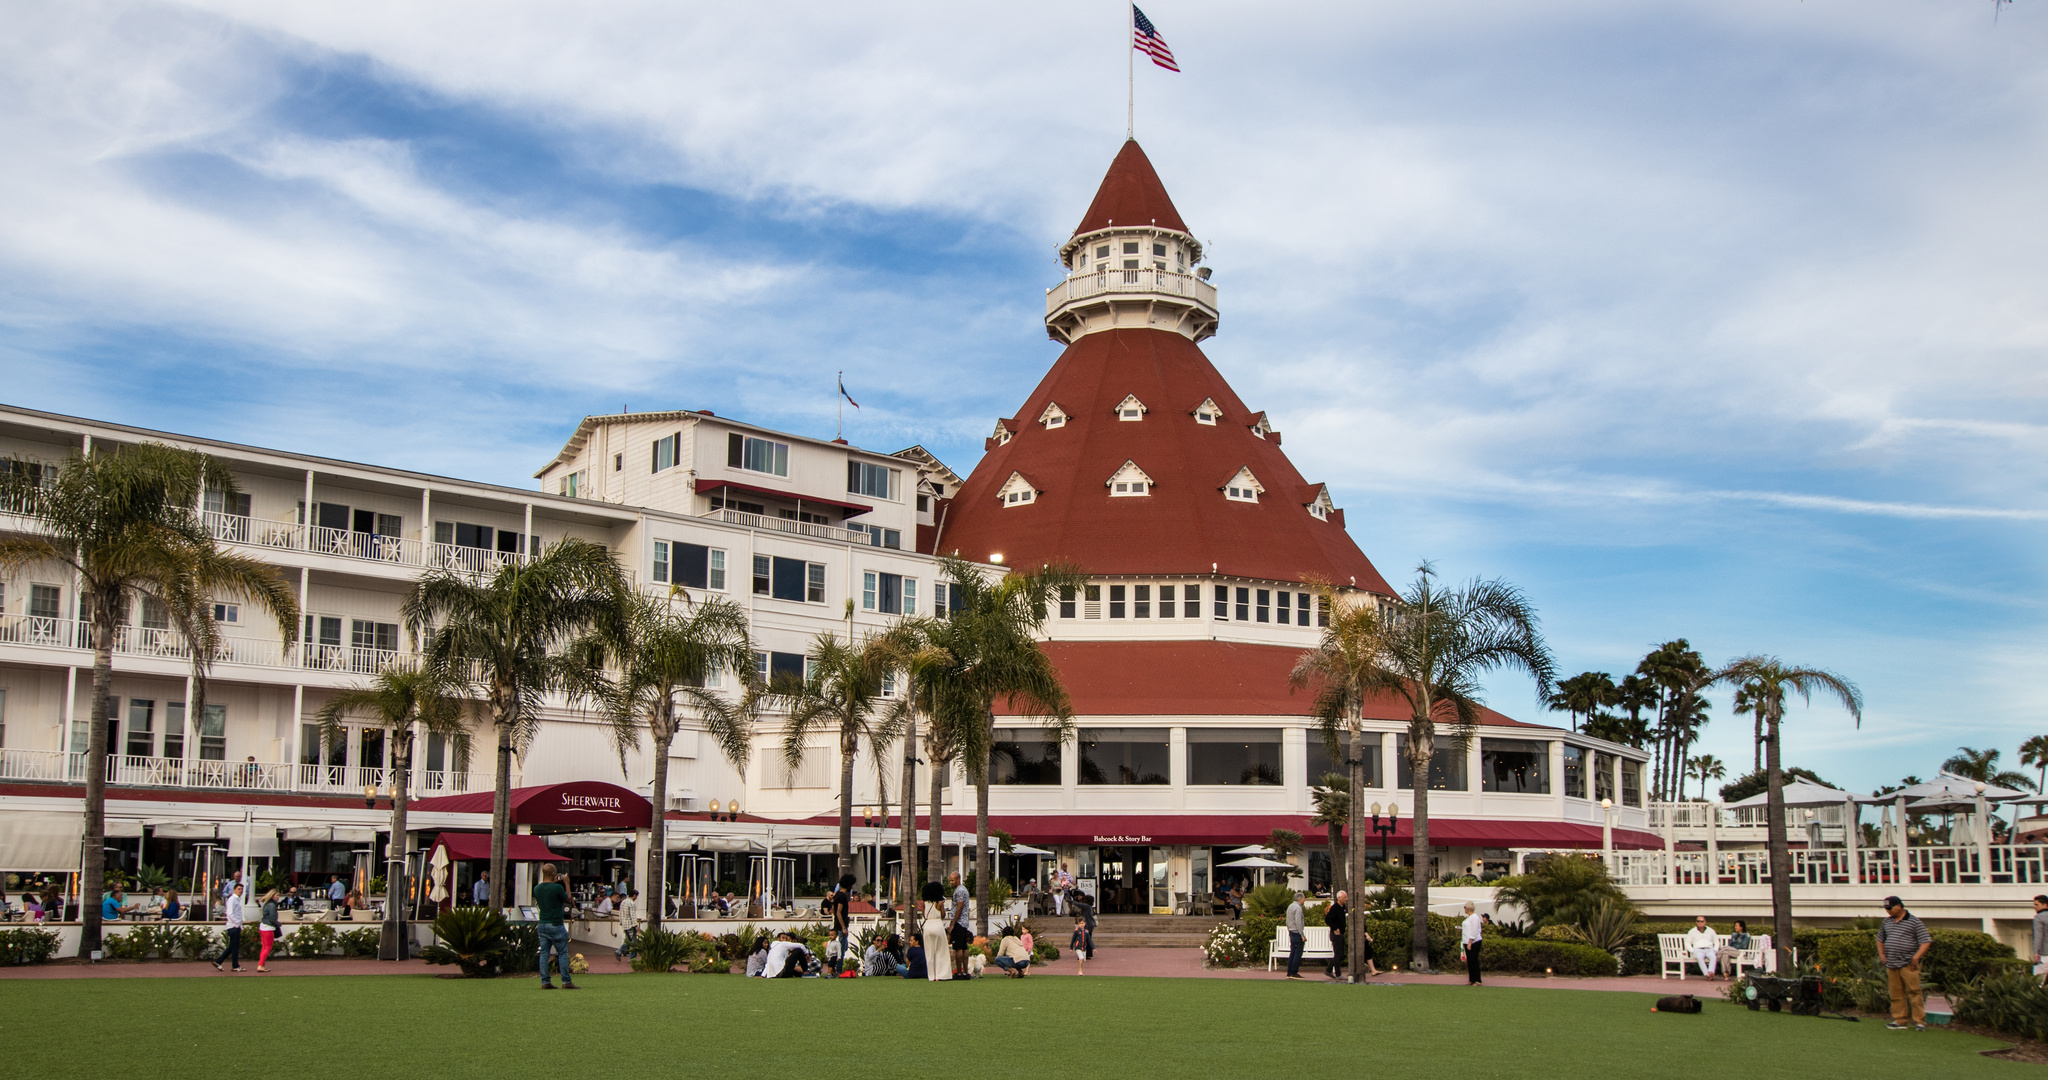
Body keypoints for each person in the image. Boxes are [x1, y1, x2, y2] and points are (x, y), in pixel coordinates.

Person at [1878, 895, 1932, 1030]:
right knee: (1895, 993)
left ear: (1899, 906)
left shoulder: (1914, 922)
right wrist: (1882, 954)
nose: (1887, 911)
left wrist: (1916, 957)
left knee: (1914, 992)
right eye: (1886, 908)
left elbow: (1926, 940)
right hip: (1892, 963)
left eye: (1890, 908)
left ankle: (1920, 1022)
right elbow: (1880, 938)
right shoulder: (1886, 922)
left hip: (1908, 964)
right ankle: (1900, 1020)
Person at [533, 863, 575, 990]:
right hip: (556, 923)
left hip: (543, 923)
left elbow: (548, 895)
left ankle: (545, 981)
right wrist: (566, 883)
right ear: (553, 874)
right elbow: (568, 899)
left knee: (544, 953)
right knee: (562, 953)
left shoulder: (537, 888)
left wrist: (554, 883)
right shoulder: (557, 888)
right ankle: (566, 981)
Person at [920, 880, 951, 982]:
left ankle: (931, 976)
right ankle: (940, 975)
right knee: (940, 951)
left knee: (929, 952)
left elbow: (924, 915)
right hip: (937, 925)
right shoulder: (939, 902)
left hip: (928, 925)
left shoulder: (924, 903)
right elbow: (942, 915)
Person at [212, 882, 246, 973]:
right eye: (239, 889)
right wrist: (236, 924)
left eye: (241, 889)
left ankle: (219, 961)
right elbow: (230, 913)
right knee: (234, 947)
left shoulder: (237, 900)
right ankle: (235, 965)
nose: (240, 891)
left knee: (233, 946)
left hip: (236, 926)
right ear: (234, 890)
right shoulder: (232, 899)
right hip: (233, 926)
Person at [828, 874, 855, 972]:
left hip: (837, 925)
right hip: (841, 926)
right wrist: (843, 927)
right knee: (841, 950)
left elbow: (834, 910)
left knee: (843, 947)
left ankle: (835, 968)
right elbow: (838, 912)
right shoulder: (842, 896)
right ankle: (839, 970)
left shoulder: (837, 895)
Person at [948, 871, 972, 978]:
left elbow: (959, 907)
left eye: (952, 880)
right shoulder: (962, 890)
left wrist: (953, 923)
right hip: (963, 922)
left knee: (958, 948)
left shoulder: (960, 891)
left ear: (958, 879)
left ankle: (959, 972)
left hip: (959, 922)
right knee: (964, 947)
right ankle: (965, 972)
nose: (951, 882)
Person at [1685, 915, 1720, 979]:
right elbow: (1687, 943)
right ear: (1696, 922)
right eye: (1698, 921)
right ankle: (1706, 974)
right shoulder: (1692, 931)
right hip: (1698, 949)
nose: (1700, 922)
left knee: (1713, 956)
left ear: (1705, 922)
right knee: (1699, 957)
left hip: (1709, 949)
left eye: (1702, 921)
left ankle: (1711, 972)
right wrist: (1692, 950)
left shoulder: (1711, 931)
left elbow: (1716, 942)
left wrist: (1715, 950)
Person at [256, 889, 281, 973]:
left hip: (263, 926)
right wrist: (278, 924)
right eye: (277, 895)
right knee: (268, 947)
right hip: (268, 928)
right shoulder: (272, 905)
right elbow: (273, 918)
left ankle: (262, 964)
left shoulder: (267, 904)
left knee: (264, 947)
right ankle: (260, 965)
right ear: (272, 895)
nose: (278, 897)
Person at [1325, 890, 1348, 980]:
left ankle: (1329, 969)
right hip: (1336, 934)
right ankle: (1336, 973)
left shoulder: (1343, 907)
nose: (1346, 899)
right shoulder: (1335, 908)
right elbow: (1328, 919)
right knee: (1338, 954)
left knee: (1341, 954)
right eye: (1344, 897)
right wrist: (1335, 928)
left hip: (1341, 933)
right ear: (1339, 898)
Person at [1284, 891, 1306, 980]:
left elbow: (1287, 920)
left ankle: (1289, 972)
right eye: (1304, 898)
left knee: (1293, 952)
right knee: (1297, 952)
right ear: (1300, 899)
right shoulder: (1298, 908)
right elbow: (1298, 922)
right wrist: (1302, 934)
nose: (1304, 900)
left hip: (1291, 931)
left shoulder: (1290, 906)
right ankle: (1294, 972)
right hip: (1296, 932)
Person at [1461, 902, 1484, 985]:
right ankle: (1472, 979)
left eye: (1465, 907)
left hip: (1474, 942)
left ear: (1468, 908)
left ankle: (1478, 980)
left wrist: (1470, 942)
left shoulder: (1474, 917)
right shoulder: (1469, 918)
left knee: (1474, 961)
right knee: (1470, 961)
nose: (1464, 909)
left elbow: (1474, 930)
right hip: (1467, 941)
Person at [2031, 896, 2048, 984]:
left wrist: (2036, 953)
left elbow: (2038, 936)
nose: (2034, 906)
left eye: (2036, 904)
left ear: (2045, 904)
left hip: (2044, 955)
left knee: (2038, 983)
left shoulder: (2039, 917)